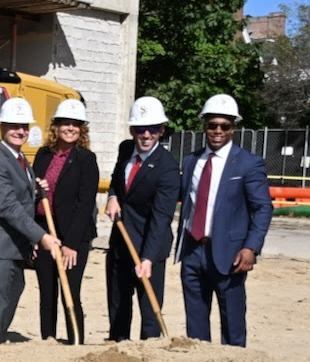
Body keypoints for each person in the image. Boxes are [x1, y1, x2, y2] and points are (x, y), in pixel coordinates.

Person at [175, 93, 273, 347]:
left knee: (233, 322)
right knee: (195, 323)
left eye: (224, 126)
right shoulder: (191, 160)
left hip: (230, 255)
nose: (217, 131)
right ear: (204, 126)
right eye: (212, 125)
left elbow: (262, 208)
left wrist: (251, 247)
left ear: (233, 128)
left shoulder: (249, 164)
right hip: (193, 250)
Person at [0, 97, 60, 344]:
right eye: (13, 126)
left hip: (13, 250)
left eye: (24, 126)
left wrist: (33, 189)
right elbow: (8, 207)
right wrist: (41, 236)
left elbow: (16, 196)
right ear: (1, 127)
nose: (20, 131)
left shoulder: (19, 160)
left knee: (6, 308)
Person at [104, 96, 181, 341]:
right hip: (121, 243)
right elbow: (118, 179)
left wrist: (148, 258)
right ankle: (117, 352)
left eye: (153, 129)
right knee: (118, 307)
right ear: (132, 130)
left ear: (162, 130)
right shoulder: (126, 149)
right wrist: (113, 196)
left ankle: (149, 358)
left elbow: (161, 218)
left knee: (149, 311)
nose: (146, 135)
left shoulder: (167, 168)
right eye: (140, 129)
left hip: (150, 247)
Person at [32, 99, 100, 343]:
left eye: (75, 124)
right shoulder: (43, 154)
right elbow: (32, 193)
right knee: (46, 295)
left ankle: (76, 342)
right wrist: (34, 235)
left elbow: (85, 205)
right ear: (56, 127)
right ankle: (48, 342)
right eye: (65, 123)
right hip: (44, 232)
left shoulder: (86, 159)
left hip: (74, 237)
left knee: (70, 292)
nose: (70, 128)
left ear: (82, 129)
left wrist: (70, 244)